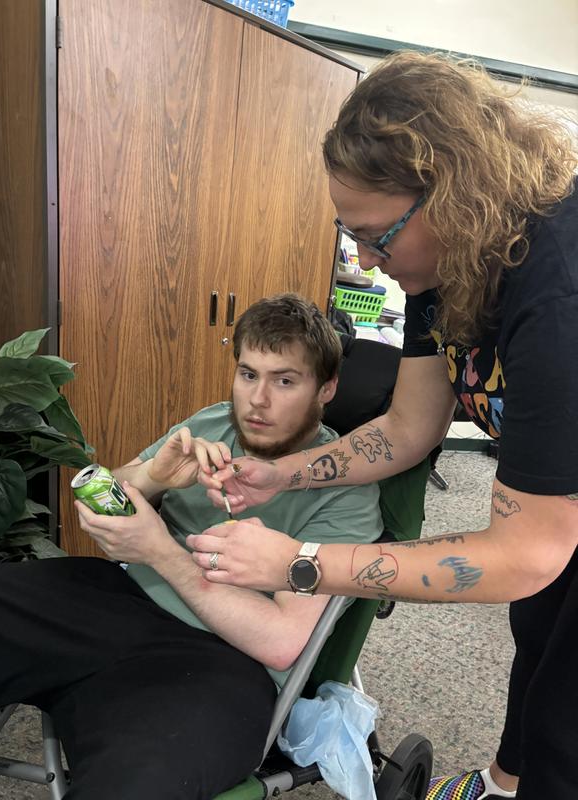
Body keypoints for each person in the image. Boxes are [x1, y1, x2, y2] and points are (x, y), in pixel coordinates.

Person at [190, 52, 578, 800]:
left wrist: (297, 561)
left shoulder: (558, 298)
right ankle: (502, 786)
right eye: (350, 237)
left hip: (552, 518)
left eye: (378, 236)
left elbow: (524, 552)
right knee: (539, 645)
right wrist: (281, 470)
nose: (366, 262)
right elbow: (407, 428)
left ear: (456, 193)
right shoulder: (447, 266)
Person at [0, 294, 384, 800]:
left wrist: (161, 552)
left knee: (140, 785)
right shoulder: (214, 423)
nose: (257, 400)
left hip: (218, 663)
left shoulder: (348, 493)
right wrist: (150, 477)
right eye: (248, 374)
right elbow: (113, 490)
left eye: (284, 380)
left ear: (326, 388)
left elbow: (282, 641)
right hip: (114, 598)